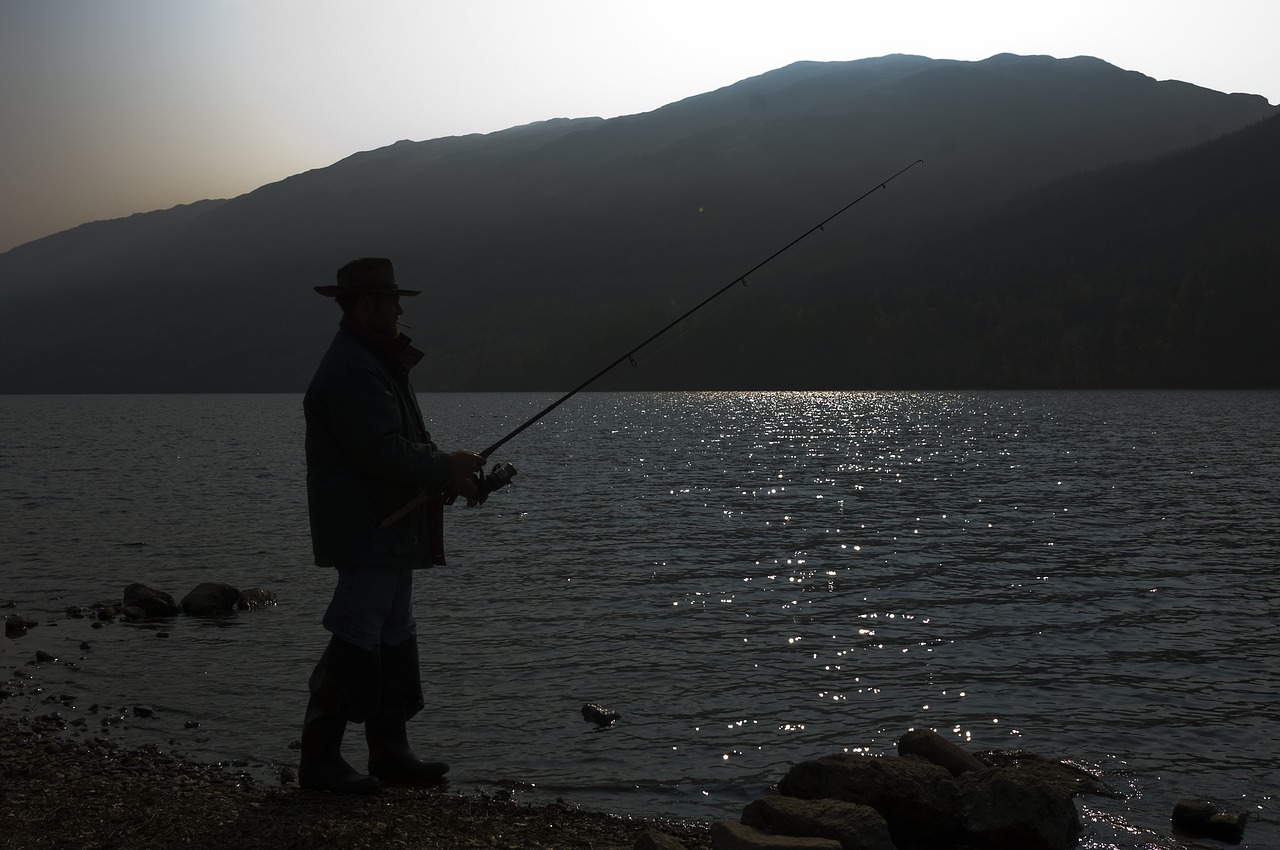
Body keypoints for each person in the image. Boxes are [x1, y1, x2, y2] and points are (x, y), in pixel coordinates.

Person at [299, 256, 486, 794]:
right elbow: (379, 451)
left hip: (386, 526)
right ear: (363, 303)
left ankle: (390, 751)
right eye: (391, 299)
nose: (401, 309)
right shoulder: (353, 367)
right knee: (358, 632)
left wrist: (450, 474)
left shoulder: (372, 360)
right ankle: (320, 760)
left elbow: (398, 448)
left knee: (392, 631)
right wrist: (445, 468)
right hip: (367, 528)